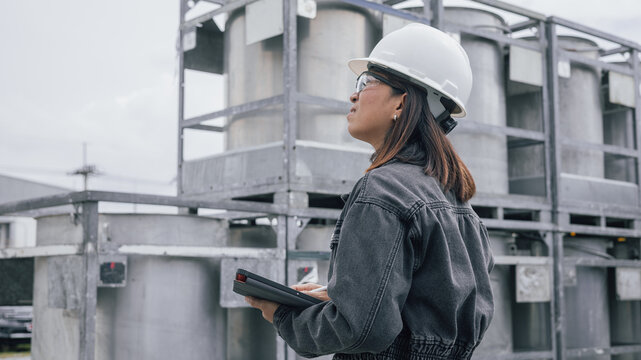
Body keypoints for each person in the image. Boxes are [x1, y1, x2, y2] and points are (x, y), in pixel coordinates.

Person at [245, 23, 494, 359]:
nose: (353, 94)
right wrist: (340, 295)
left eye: (367, 82)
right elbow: (431, 306)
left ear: (402, 103)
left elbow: (358, 329)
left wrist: (283, 314)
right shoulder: (455, 199)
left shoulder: (382, 191)